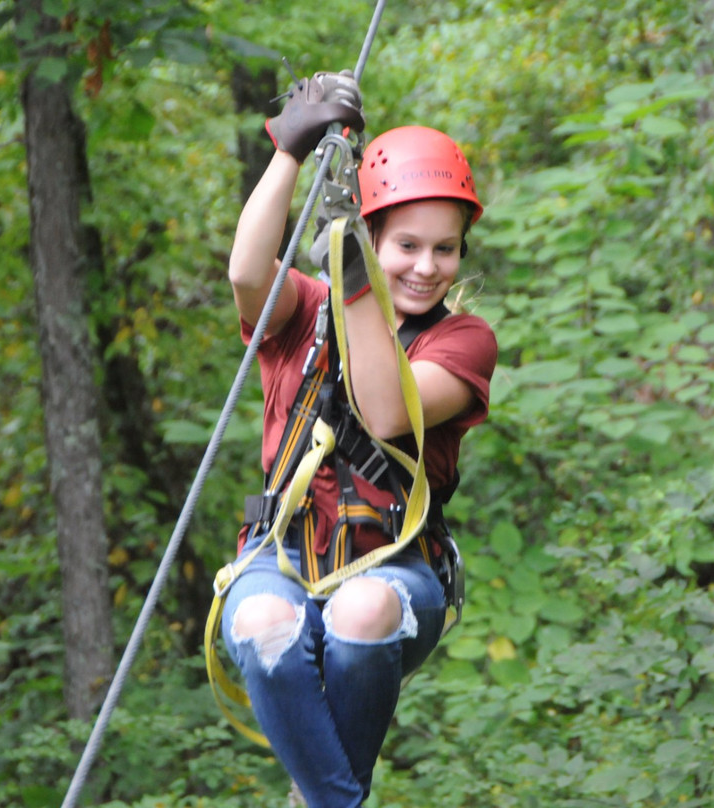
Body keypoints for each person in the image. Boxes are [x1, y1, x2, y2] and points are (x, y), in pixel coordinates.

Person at [219, 69, 497, 807]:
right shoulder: (305, 312)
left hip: (396, 567)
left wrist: (353, 271)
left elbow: (385, 412)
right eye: (406, 245)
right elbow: (247, 274)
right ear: (372, 231)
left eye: (446, 249)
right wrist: (289, 149)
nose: (427, 267)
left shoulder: (463, 342)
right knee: (262, 619)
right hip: (281, 552)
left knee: (361, 610)